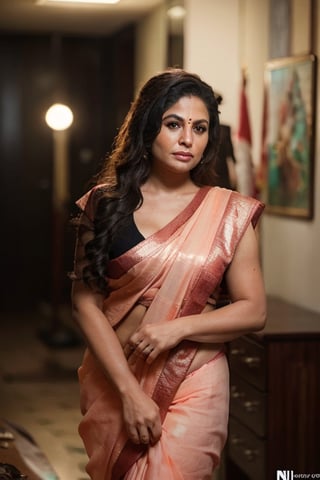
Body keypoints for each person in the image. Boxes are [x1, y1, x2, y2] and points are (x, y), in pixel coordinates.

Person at [71, 68, 266, 480]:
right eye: (173, 124)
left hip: (194, 380)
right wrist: (127, 392)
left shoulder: (230, 213)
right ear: (147, 128)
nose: (187, 139)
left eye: (200, 128)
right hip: (115, 378)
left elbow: (253, 311)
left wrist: (175, 329)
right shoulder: (105, 206)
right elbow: (85, 303)